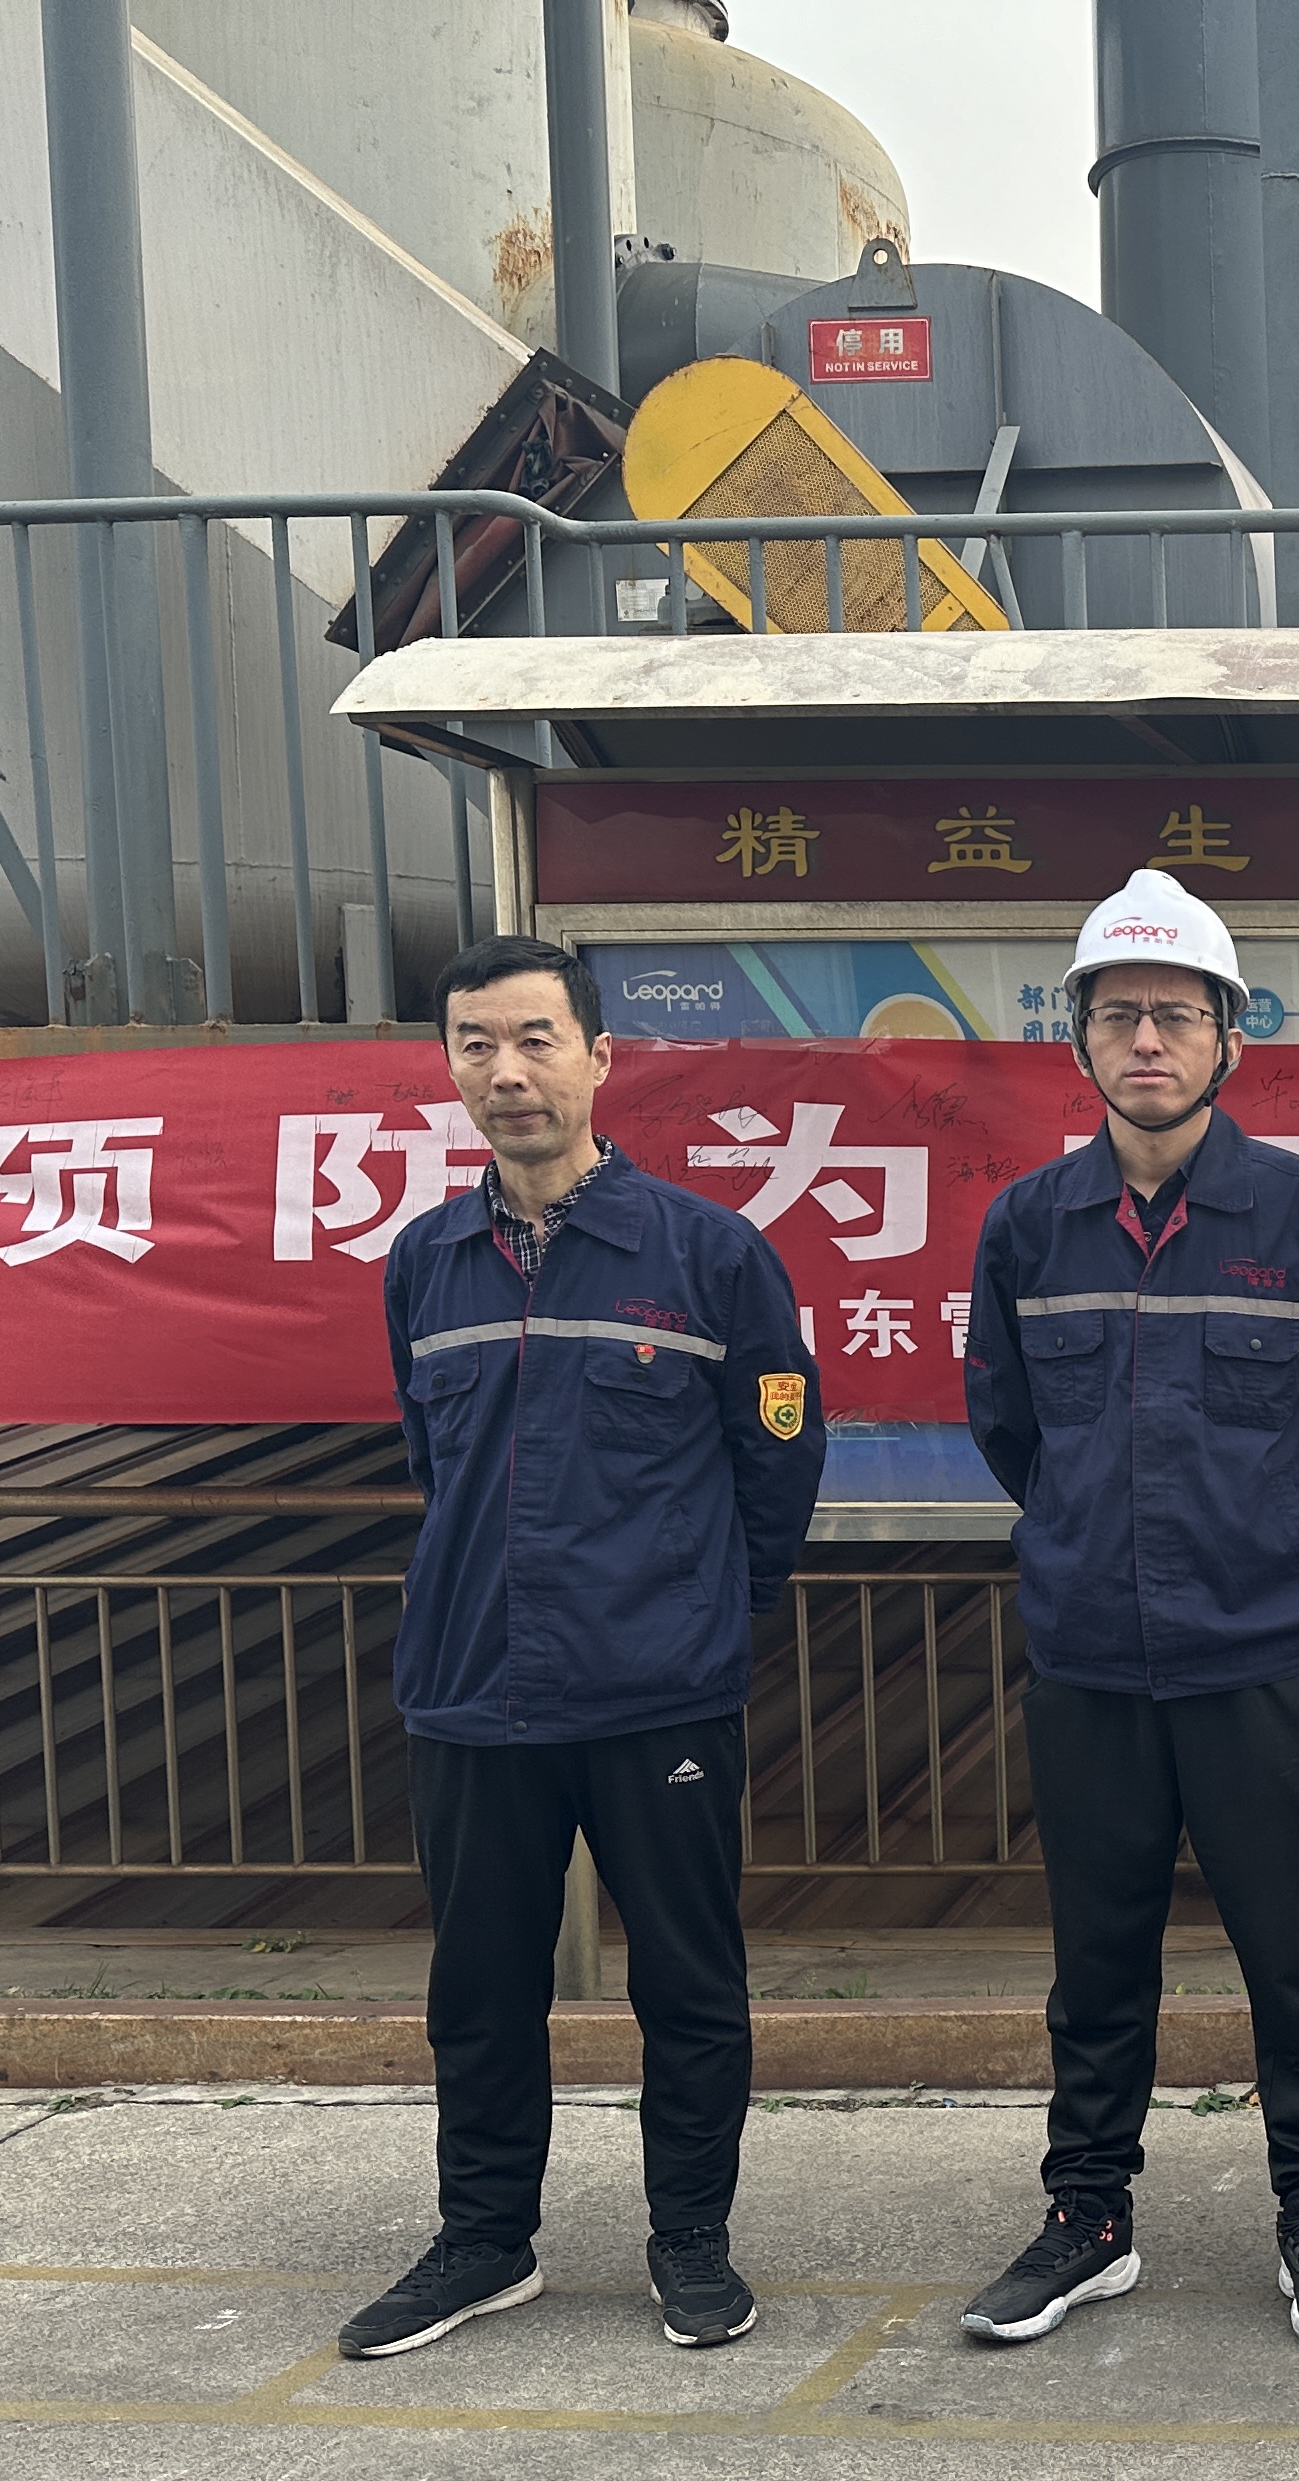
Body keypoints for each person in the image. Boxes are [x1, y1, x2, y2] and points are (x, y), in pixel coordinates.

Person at [346, 936, 823, 2360]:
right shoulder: (425, 1262)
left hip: (653, 1692)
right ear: (449, 1067)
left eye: (537, 1039)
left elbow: (779, 1458)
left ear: (601, 1058)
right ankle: (485, 2241)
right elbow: (436, 1459)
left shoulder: (708, 1255)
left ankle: (691, 2241)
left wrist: (709, 1616)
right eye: (477, 1044)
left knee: (689, 1984)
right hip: (472, 1689)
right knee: (481, 1989)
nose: (508, 1072)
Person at [956, 869, 1299, 2351]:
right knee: (1097, 1962)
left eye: (1176, 1014)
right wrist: (1093, 1544)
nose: (1146, 1040)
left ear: (1229, 1037)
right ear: (1078, 1037)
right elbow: (1008, 1425)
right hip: (1090, 1658)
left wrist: (1278, 1558)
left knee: (1298, 1958)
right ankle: (1088, 2220)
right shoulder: (1030, 1227)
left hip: (1258, 1659)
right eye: (1118, 1015)